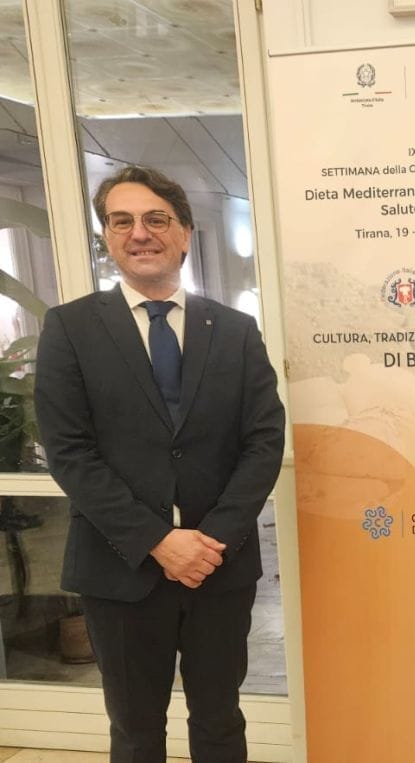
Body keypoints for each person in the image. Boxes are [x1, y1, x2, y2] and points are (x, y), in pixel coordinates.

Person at [34, 166, 285, 763]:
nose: (140, 233)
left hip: (218, 569)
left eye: (156, 219)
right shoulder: (70, 328)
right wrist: (157, 541)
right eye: (122, 221)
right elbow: (70, 451)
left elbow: (263, 441)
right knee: (135, 731)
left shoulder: (234, 330)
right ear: (108, 236)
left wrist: (211, 540)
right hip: (119, 569)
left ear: (185, 233)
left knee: (220, 723)